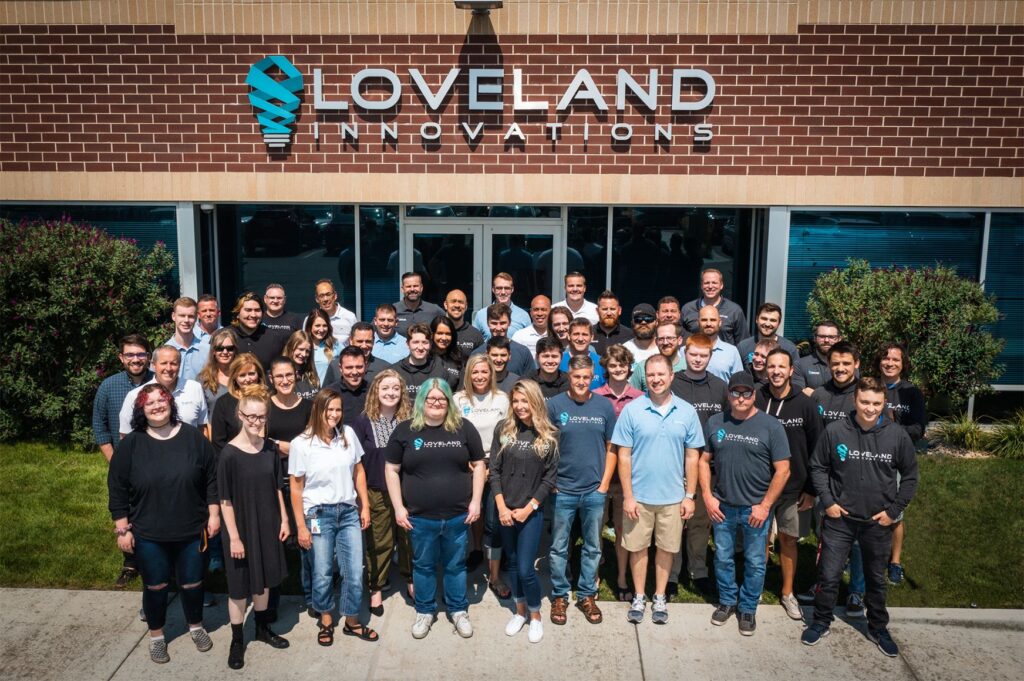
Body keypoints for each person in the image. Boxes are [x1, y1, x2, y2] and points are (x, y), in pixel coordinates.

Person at [802, 377, 919, 658]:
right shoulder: (835, 430)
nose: (870, 408)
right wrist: (828, 502)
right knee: (829, 575)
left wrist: (893, 512)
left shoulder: (897, 435)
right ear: (855, 400)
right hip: (839, 520)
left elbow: (910, 477)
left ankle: (878, 628)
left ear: (884, 403)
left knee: (875, 579)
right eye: (865, 402)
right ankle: (821, 621)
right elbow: (818, 467)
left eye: (876, 403)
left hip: (877, 523)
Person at [108, 384, 219, 664]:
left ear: (170, 402)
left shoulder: (193, 437)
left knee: (193, 583)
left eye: (162, 400)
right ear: (141, 410)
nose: (157, 406)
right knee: (155, 586)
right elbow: (117, 487)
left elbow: (212, 478)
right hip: (149, 533)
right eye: (150, 403)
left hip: (192, 530)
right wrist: (122, 528)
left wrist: (214, 514)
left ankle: (196, 625)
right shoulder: (131, 444)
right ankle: (156, 636)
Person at [384, 378, 486, 640]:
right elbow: (391, 469)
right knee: (423, 566)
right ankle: (425, 611)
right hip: (419, 518)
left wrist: (476, 501)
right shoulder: (406, 430)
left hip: (458, 516)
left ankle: (458, 610)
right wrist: (398, 507)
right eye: (431, 398)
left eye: (442, 398)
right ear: (422, 401)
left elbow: (480, 465)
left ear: (449, 402)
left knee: (456, 565)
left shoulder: (463, 428)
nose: (437, 403)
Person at [613, 354, 704, 626]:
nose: (656, 379)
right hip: (639, 498)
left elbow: (692, 457)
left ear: (671, 376)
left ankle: (660, 596)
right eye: (651, 375)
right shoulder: (632, 410)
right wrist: (628, 496)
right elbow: (623, 456)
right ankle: (639, 596)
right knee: (638, 548)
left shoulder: (687, 411)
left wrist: (690, 496)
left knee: (666, 549)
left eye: (661, 374)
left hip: (673, 498)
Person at [701, 371, 791, 636]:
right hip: (723, 506)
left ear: (754, 395)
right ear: (728, 395)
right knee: (723, 557)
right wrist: (707, 496)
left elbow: (783, 470)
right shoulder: (716, 422)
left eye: (746, 393)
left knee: (755, 561)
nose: (740, 398)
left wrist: (765, 506)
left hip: (755, 508)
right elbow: (703, 461)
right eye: (735, 393)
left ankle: (748, 607)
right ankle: (727, 601)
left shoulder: (771, 426)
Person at [289, 389, 378, 647]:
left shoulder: (347, 434)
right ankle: (326, 618)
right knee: (322, 570)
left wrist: (364, 506)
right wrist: (300, 526)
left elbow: (359, 472)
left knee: (354, 571)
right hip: (318, 515)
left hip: (348, 512)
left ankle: (352, 620)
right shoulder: (301, 443)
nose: (335, 414)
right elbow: (296, 488)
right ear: (318, 409)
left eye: (338, 409)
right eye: (329, 409)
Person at [218, 385, 290, 669]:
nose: (256, 422)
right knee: (239, 587)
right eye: (251, 416)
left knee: (265, 580)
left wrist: (284, 519)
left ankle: (261, 629)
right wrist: (234, 538)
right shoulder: (229, 454)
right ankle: (237, 640)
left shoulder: (270, 448)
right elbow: (225, 501)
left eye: (261, 417)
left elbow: (277, 487)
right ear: (240, 415)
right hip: (240, 528)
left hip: (268, 522)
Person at [547, 355, 617, 626]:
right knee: (559, 547)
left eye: (586, 377)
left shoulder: (604, 406)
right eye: (577, 377)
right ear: (569, 376)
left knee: (592, 547)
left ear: (592, 377)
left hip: (593, 490)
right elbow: (546, 445)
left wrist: (604, 484)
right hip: (562, 489)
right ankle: (560, 595)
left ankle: (587, 594)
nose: (581, 382)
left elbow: (612, 447)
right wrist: (551, 480)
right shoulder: (554, 405)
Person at [755, 347, 824, 619]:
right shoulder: (757, 398)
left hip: (794, 487)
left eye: (781, 366)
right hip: (759, 485)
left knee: (788, 539)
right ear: (765, 370)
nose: (776, 371)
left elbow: (817, 448)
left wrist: (811, 489)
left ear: (791, 370)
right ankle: (755, 588)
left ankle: (787, 593)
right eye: (771, 366)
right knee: (759, 539)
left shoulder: (805, 404)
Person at [493, 380, 560, 644]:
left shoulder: (549, 435)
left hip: (530, 512)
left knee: (525, 569)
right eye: (516, 401)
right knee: (511, 564)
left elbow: (549, 478)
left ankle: (535, 615)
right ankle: (519, 612)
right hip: (505, 511)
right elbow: (494, 471)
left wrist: (529, 507)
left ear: (536, 402)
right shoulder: (504, 429)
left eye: (526, 401)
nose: (520, 406)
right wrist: (501, 507)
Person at [667, 333, 730, 598]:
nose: (697, 359)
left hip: (707, 466)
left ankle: (698, 570)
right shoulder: (673, 382)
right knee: (673, 521)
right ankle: (671, 574)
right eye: (693, 354)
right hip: (675, 463)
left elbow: (726, 423)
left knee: (700, 522)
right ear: (685, 353)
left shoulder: (720, 387)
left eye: (703, 355)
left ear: (710, 356)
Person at [93, 333, 153, 587]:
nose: (135, 359)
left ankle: (156, 558)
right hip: (122, 461)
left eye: (140, 354)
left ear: (148, 356)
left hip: (154, 461)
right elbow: (100, 428)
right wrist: (115, 463)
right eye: (130, 355)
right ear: (121, 358)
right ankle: (130, 562)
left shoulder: (158, 383)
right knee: (124, 509)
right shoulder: (108, 386)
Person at [352, 370, 414, 616]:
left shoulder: (410, 420)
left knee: (408, 539)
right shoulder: (362, 422)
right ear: (376, 391)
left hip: (407, 489)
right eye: (385, 388)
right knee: (379, 541)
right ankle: (376, 587)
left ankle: (411, 580)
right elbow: (356, 462)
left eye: (396, 388)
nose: (390, 393)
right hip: (376, 490)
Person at [453, 354, 511, 596]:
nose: (479, 376)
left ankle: (495, 575)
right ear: (468, 374)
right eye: (475, 372)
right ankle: (477, 550)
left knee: (494, 519)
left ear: (491, 374)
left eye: (484, 372)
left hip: (496, 463)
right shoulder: (458, 399)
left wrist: (490, 467)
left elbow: (509, 434)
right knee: (473, 514)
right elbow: (453, 432)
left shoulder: (502, 399)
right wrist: (470, 464)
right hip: (466, 464)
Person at [594, 344, 644, 601]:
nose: (617, 369)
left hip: (629, 477)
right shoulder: (595, 396)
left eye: (622, 365)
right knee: (595, 530)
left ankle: (623, 577)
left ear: (629, 367)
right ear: (606, 367)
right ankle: (593, 576)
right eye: (612, 365)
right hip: (600, 474)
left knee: (625, 531)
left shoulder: (640, 398)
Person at [265, 356, 314, 616]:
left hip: (304, 482)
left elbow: (313, 442)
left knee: (307, 540)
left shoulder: (308, 407)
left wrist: (280, 445)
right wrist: (290, 446)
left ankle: (313, 597)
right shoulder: (264, 407)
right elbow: (257, 439)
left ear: (296, 376)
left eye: (288, 375)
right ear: (271, 379)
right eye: (279, 376)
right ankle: (272, 600)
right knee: (275, 543)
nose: (284, 380)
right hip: (271, 482)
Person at [876, 342, 927, 586]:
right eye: (886, 358)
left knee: (895, 514)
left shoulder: (911, 392)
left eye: (895, 360)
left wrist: (891, 429)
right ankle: (856, 555)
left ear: (903, 364)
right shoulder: (868, 386)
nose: (890, 363)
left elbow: (918, 429)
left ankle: (894, 562)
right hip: (867, 457)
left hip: (897, 460)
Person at [118, 345, 208, 437]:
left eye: (173, 363)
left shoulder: (194, 388)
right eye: (164, 363)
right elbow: (125, 434)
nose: (168, 368)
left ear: (179, 365)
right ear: (153, 365)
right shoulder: (135, 395)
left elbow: (203, 427)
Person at [210, 352, 267, 452]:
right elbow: (218, 441)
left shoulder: (268, 399)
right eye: (242, 375)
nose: (248, 379)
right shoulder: (223, 403)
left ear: (258, 374)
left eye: (251, 374)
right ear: (234, 378)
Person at [736, 303, 803, 386]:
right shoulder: (743, 346)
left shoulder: (789, 348)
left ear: (779, 323)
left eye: (773, 320)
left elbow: (797, 381)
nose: (767, 324)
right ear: (757, 319)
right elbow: (737, 377)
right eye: (764, 319)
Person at [681, 269, 750, 345]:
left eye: (714, 283)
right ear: (701, 285)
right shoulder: (688, 309)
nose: (710, 286)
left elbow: (743, 342)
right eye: (706, 283)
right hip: (695, 352)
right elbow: (680, 338)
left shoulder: (734, 310)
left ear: (721, 285)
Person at [472, 303, 536, 376]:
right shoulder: (477, 354)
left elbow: (531, 381)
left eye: (502, 323)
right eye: (494, 323)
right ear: (487, 323)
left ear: (509, 323)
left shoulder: (523, 352)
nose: (498, 328)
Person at [394, 322, 453, 397]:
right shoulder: (395, 372)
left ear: (430, 344)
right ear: (407, 344)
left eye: (425, 342)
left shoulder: (440, 372)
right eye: (415, 342)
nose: (420, 347)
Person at [232, 292, 286, 371]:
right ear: (237, 313)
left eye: (257, 310)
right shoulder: (226, 335)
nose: (253, 315)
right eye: (248, 310)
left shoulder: (274, 338)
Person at [812, 341, 861, 425]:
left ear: (856, 364)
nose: (840, 369)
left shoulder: (865, 395)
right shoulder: (818, 394)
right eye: (835, 364)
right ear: (828, 364)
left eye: (846, 364)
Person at [325, 321, 389, 386]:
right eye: (360, 341)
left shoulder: (384, 368)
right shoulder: (335, 366)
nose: (364, 346)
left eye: (368, 341)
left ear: (373, 341)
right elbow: (325, 391)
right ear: (351, 340)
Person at [472, 272, 531, 340]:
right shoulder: (481, 315)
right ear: (493, 290)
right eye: (499, 288)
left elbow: (528, 341)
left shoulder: (523, 316)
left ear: (512, 289)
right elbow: (475, 341)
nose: (503, 292)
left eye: (507, 288)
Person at [630, 322, 686, 391]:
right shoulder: (642, 367)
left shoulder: (688, 367)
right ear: (656, 342)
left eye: (670, 338)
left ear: (679, 340)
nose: (665, 342)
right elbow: (632, 395)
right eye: (661, 339)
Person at [165, 296, 210, 382]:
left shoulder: (207, 351)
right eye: (182, 316)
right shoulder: (163, 352)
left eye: (190, 316)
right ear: (173, 316)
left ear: (196, 318)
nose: (186, 320)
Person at [322, 346, 370, 426]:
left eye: (359, 367)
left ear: (366, 366)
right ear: (340, 368)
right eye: (349, 367)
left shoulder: (374, 392)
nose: (354, 372)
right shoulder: (328, 394)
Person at [197, 326, 239, 413]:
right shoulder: (203, 379)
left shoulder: (243, 376)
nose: (225, 352)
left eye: (229, 348)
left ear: (235, 350)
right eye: (220, 348)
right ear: (213, 351)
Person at [698, 305, 744, 382]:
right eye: (704, 320)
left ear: (720, 322)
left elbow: (739, 382)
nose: (708, 323)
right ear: (698, 322)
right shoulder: (686, 350)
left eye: (713, 320)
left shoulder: (732, 352)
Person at [559, 318, 606, 390]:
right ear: (568, 336)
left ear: (592, 337)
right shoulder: (559, 361)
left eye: (584, 334)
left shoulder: (601, 362)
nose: (580, 339)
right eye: (576, 334)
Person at [394, 271, 443, 336]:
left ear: (421, 288)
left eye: (415, 286)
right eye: (408, 286)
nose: (412, 289)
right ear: (402, 289)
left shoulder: (435, 310)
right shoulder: (393, 310)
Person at [799, 320, 842, 394]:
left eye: (831, 337)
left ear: (839, 339)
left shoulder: (849, 365)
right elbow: (798, 394)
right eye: (822, 336)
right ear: (815, 338)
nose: (826, 340)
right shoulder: (801, 364)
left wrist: (815, 394)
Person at [309, 278, 357, 344]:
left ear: (335, 296)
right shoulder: (310, 319)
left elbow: (356, 343)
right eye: (321, 296)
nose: (325, 299)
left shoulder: (350, 317)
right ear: (317, 299)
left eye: (328, 294)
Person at [591, 290, 634, 356]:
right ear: (597, 311)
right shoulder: (588, 334)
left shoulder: (630, 336)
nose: (609, 313)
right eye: (604, 309)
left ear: (619, 310)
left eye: (612, 309)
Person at [443, 289, 485, 356]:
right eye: (453, 301)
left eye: (461, 302)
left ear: (466, 306)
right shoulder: (437, 332)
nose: (457, 305)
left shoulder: (475, 335)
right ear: (445, 305)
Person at [282, 330, 319, 401]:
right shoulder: (280, 374)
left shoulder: (311, 373)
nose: (304, 354)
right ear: (290, 347)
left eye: (307, 351)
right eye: (301, 349)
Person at [304, 307, 336, 386]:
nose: (321, 330)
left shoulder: (336, 345)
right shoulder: (303, 345)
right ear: (310, 327)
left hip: (329, 391)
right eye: (317, 326)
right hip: (308, 391)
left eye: (324, 326)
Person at [430, 314, 464, 387]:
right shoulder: (426, 358)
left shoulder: (458, 357)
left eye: (448, 334)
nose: (444, 338)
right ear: (432, 334)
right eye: (440, 333)